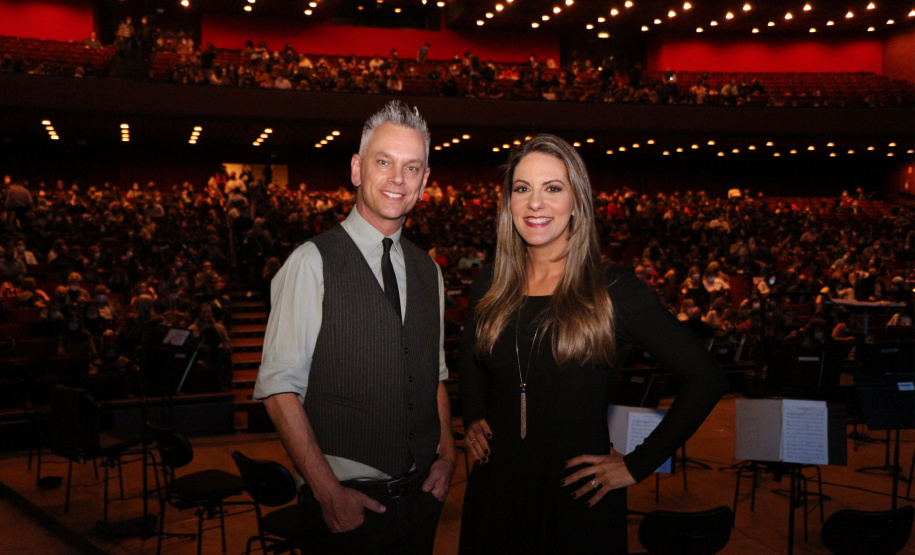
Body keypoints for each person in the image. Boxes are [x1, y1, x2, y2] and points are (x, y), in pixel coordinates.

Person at [458, 134, 727, 554]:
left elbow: (706, 377)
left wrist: (637, 465)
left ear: (577, 202)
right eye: (522, 188)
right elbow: (472, 356)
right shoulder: (489, 284)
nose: (535, 203)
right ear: (508, 203)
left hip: (578, 497)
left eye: (553, 188)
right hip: (497, 492)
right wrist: (474, 413)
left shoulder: (612, 289)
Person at [253, 100, 455, 555]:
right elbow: (279, 390)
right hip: (347, 504)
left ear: (424, 181)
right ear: (357, 169)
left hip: (421, 500)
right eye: (384, 162)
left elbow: (435, 376)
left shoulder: (429, 271)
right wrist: (327, 492)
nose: (398, 179)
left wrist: (448, 455)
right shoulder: (310, 263)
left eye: (411, 167)